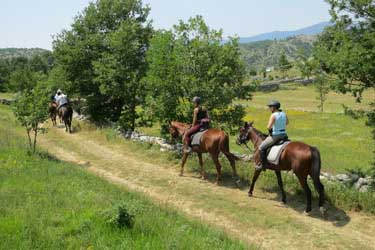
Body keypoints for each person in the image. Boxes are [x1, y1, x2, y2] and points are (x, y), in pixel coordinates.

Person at [256, 100, 289, 171]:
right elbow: (287, 123)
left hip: (276, 136)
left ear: (274, 107)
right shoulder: (284, 113)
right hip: (284, 135)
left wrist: (273, 129)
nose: (269, 108)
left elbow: (268, 127)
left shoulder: (273, 115)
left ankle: (263, 165)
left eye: (270, 107)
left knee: (261, 147)